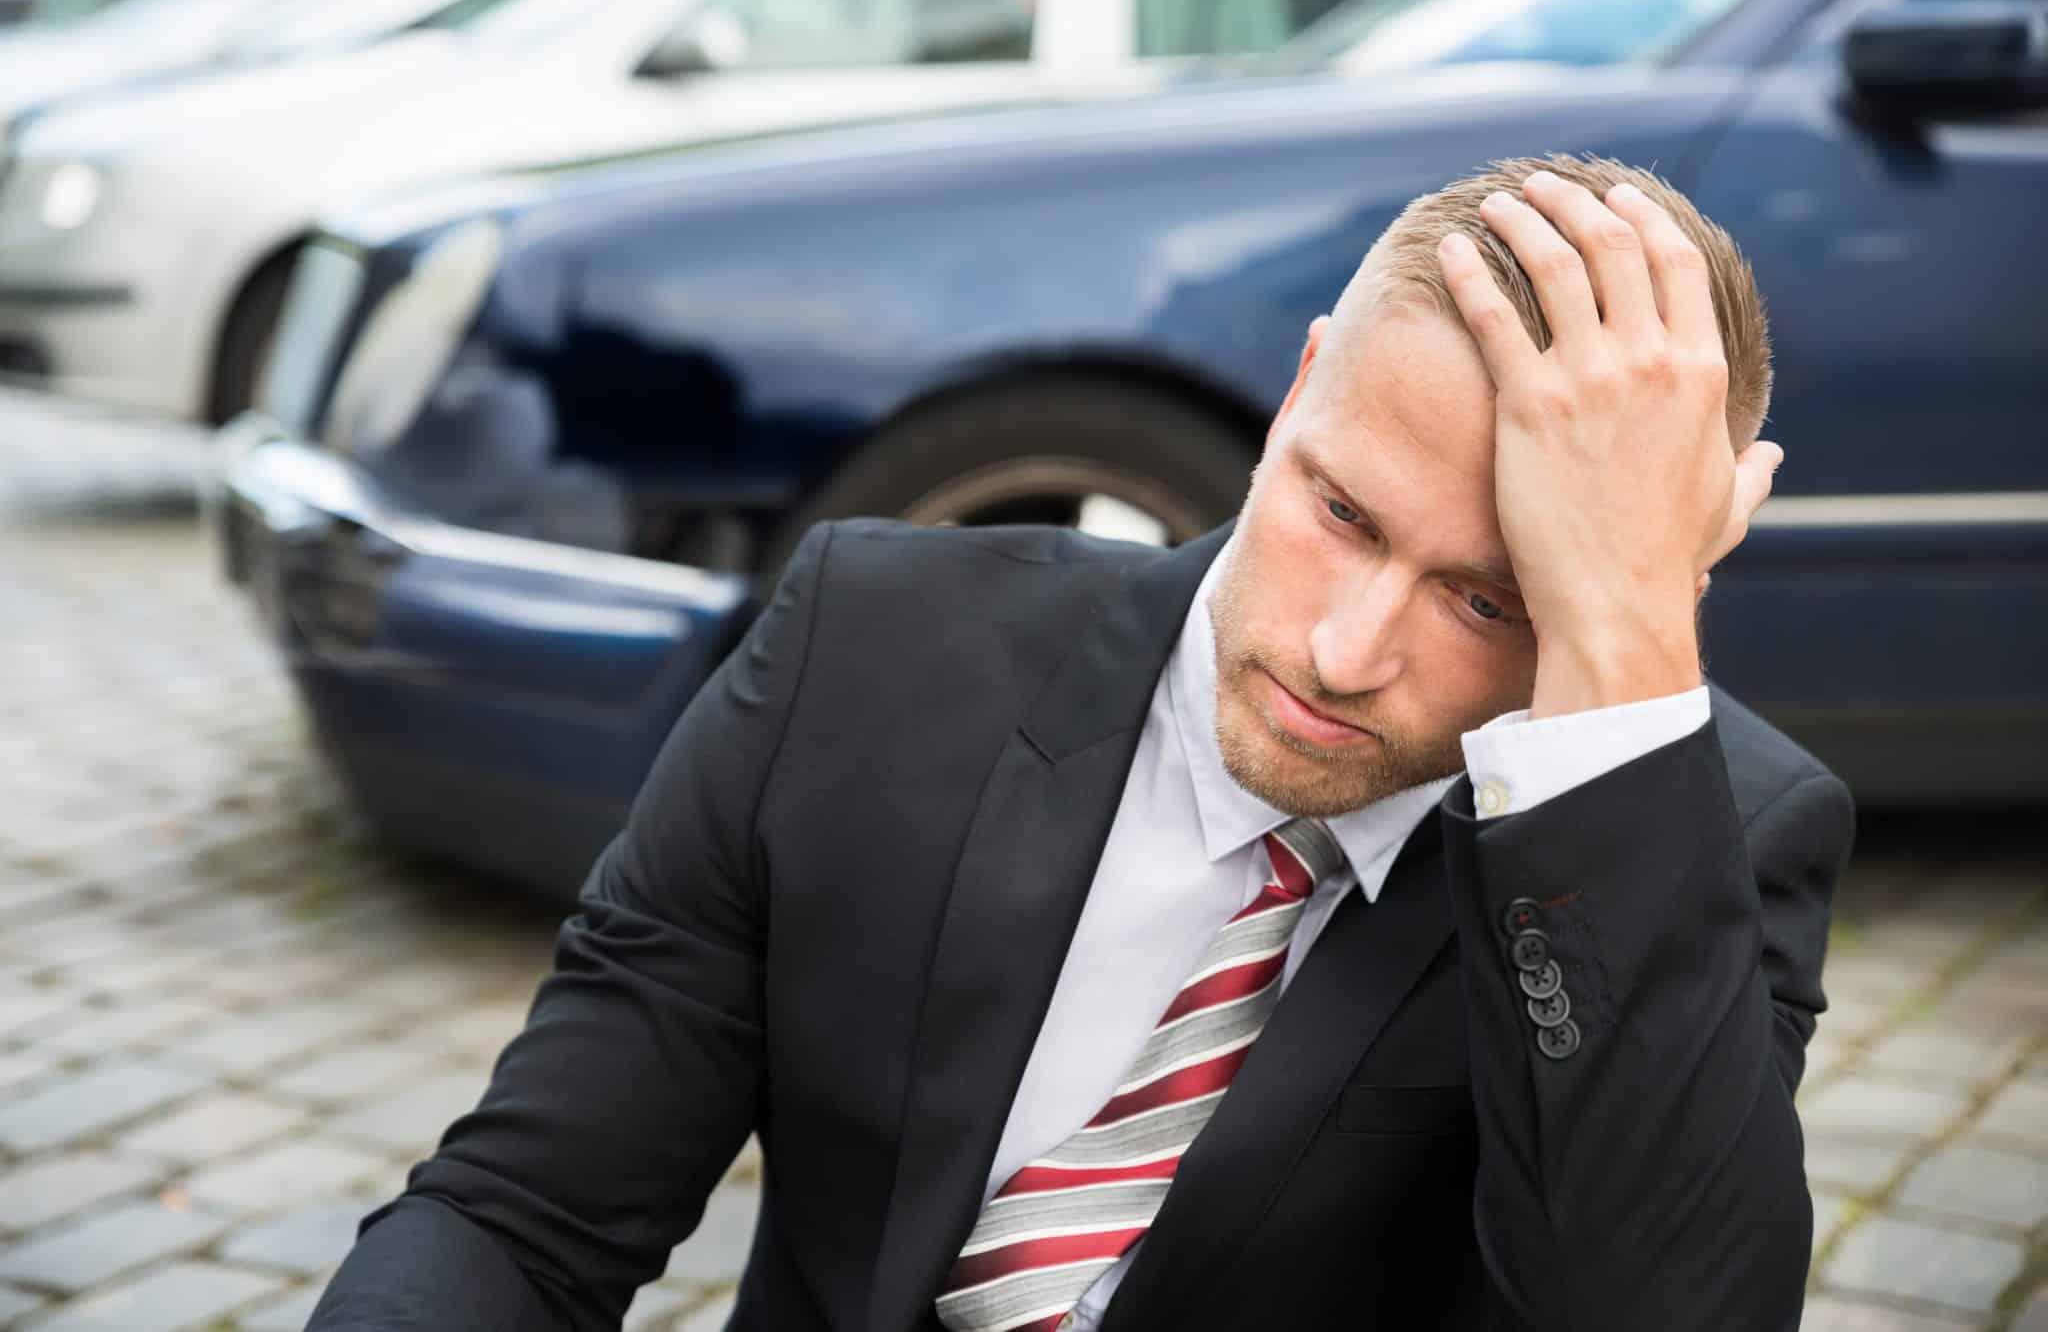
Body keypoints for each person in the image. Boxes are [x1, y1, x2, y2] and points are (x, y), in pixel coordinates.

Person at [307, 154, 1851, 1331]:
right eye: (1340, 512)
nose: (1346, 651)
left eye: (1489, 598)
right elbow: (525, 1214)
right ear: (1301, 388)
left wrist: (1626, 648)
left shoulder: (1716, 837)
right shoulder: (872, 645)